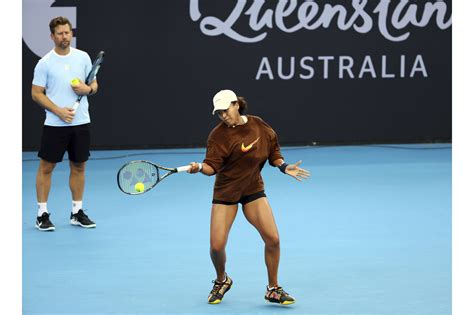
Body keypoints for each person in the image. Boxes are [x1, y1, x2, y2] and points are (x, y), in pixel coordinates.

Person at [188, 89, 310, 305]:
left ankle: (273, 288)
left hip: (252, 190)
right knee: (216, 247)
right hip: (226, 192)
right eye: (219, 113)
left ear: (236, 105)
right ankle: (222, 280)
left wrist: (283, 166)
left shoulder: (258, 125)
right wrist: (199, 167)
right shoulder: (217, 136)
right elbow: (212, 167)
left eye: (226, 110)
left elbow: (273, 150)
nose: (223, 116)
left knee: (273, 239)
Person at [31, 16, 97, 231]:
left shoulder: (83, 58)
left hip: (80, 122)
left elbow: (94, 84)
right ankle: (42, 214)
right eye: (60, 33)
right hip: (55, 124)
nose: (64, 36)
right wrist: (58, 111)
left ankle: (77, 212)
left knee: (79, 166)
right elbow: (36, 93)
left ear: (71, 33)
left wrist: (88, 90)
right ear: (52, 36)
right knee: (46, 167)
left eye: (67, 32)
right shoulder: (45, 63)